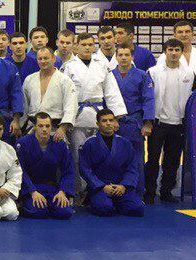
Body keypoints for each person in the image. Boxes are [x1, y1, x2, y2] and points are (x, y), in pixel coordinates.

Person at [64, 33, 128, 196]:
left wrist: (116, 117)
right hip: (77, 117)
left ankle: (98, 189)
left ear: (94, 46)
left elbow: (111, 91)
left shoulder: (102, 65)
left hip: (98, 116)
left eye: (90, 44)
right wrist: (65, 120)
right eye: (83, 44)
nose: (87, 48)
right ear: (76, 46)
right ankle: (80, 191)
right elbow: (64, 94)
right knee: (77, 156)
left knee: (100, 155)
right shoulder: (69, 66)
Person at [145, 38, 195, 204]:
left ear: (182, 52)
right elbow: (147, 98)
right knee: (153, 159)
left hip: (178, 123)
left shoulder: (190, 73)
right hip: (158, 122)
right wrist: (148, 120)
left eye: (177, 50)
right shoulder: (153, 72)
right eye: (170, 50)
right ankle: (149, 192)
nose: (174, 53)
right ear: (165, 52)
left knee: (172, 160)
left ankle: (166, 191)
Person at [79, 110, 144, 216]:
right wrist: (101, 186)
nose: (108, 123)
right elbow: (85, 169)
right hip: (100, 187)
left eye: (111, 120)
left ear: (115, 122)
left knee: (137, 208)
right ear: (97, 124)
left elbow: (132, 167)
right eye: (104, 121)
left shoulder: (125, 143)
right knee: (104, 209)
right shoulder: (88, 143)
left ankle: (116, 201)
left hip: (120, 185)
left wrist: (124, 185)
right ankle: (95, 200)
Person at [111, 44, 155, 193]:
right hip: (114, 123)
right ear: (116, 57)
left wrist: (147, 123)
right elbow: (106, 99)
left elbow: (148, 99)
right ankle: (116, 191)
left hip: (134, 124)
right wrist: (111, 119)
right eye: (120, 55)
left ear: (132, 57)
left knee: (136, 160)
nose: (123, 58)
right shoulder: (110, 75)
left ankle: (137, 192)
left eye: (126, 55)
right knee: (115, 159)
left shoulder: (142, 75)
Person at [15, 112, 75, 219]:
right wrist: (32, 192)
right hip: (32, 188)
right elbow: (20, 171)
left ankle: (51, 205)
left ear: (51, 127)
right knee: (39, 212)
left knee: (65, 212)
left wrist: (62, 192)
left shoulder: (60, 144)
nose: (44, 129)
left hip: (52, 188)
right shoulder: (23, 143)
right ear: (34, 126)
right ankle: (23, 204)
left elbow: (68, 171)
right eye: (40, 126)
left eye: (47, 126)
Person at [21, 47, 77, 139]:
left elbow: (71, 105)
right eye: (40, 59)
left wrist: (63, 128)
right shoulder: (29, 79)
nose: (43, 61)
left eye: (46, 58)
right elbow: (24, 106)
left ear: (54, 59)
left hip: (56, 129)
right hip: (33, 128)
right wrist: (19, 124)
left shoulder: (64, 80)